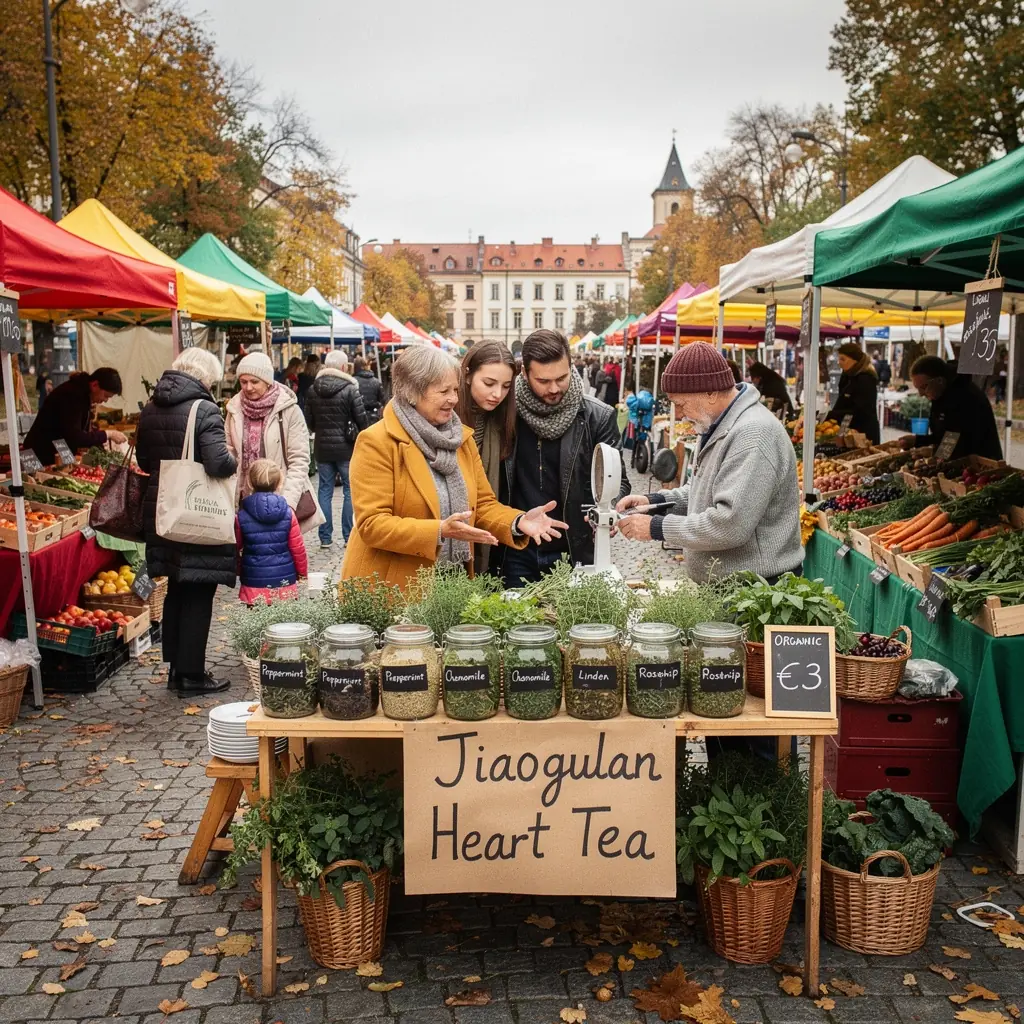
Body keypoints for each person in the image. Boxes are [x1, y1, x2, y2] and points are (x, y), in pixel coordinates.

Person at [341, 346, 567, 591]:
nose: (455, 399)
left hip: (451, 585)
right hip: (389, 587)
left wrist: (518, 520)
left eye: (456, 390)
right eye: (444, 391)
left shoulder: (461, 440)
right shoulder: (377, 442)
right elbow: (372, 525)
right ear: (413, 391)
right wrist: (440, 530)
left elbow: (483, 505)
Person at [617, 342, 802, 583]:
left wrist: (656, 527)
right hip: (733, 587)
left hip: (758, 590)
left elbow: (730, 524)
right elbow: (702, 491)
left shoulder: (752, 434)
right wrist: (655, 503)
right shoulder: (717, 425)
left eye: (681, 404)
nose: (680, 414)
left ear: (711, 393)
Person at [135, 349, 236, 696]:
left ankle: (176, 669)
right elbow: (218, 463)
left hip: (163, 511)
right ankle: (192, 675)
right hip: (196, 512)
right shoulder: (203, 408)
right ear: (206, 377)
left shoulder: (150, 407)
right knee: (198, 591)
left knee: (177, 587)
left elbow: (144, 459)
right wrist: (234, 459)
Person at [499, 329, 630, 586]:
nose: (554, 388)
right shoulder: (504, 413)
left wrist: (607, 508)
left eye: (562, 377)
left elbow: (619, 480)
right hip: (516, 547)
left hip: (575, 548)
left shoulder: (598, 417)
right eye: (544, 381)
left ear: (571, 366)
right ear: (524, 373)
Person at [224, 351, 323, 532]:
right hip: (243, 502)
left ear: (267, 381)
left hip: (279, 500)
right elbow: (229, 452)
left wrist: (288, 504)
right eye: (243, 381)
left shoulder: (288, 410)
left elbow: (299, 460)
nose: (248, 387)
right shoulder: (234, 409)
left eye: (254, 382)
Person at [456, 341, 518, 576]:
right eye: (489, 383)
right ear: (468, 375)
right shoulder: (445, 416)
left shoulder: (501, 420)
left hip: (484, 524)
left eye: (505, 386)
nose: (497, 394)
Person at [304, 351, 368, 549]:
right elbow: (362, 419)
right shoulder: (350, 389)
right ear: (343, 368)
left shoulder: (313, 389)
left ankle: (325, 537)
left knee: (324, 490)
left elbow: (309, 421)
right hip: (346, 448)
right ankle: (348, 535)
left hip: (322, 447)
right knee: (350, 491)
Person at [235, 459, 308, 606]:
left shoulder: (241, 516)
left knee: (255, 625)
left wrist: (238, 569)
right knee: (283, 625)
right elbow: (297, 548)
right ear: (280, 483)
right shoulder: (288, 513)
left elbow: (235, 547)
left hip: (253, 581)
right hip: (284, 581)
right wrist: (302, 573)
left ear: (249, 483)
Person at [901, 355, 1002, 461]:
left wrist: (933, 451)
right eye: (918, 388)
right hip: (960, 461)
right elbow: (942, 434)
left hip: (981, 463)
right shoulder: (940, 393)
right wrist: (918, 441)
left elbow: (960, 439)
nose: (921, 394)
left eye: (923, 387)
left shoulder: (965, 396)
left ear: (939, 380)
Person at [25, 367, 127, 465]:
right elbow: (75, 436)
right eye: (106, 396)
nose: (105, 400)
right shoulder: (73, 396)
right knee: (37, 480)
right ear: (95, 385)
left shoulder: (82, 393)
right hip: (36, 455)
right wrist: (107, 434)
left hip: (54, 452)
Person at [825, 342, 880, 444]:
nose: (839, 362)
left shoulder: (866, 379)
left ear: (854, 360)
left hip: (864, 435)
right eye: (839, 358)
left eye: (843, 359)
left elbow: (859, 411)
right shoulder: (847, 375)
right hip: (848, 431)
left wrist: (831, 415)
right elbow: (842, 402)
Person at [353, 355, 385, 423]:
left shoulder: (353, 382)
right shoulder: (376, 381)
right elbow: (383, 400)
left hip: (357, 416)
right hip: (374, 415)